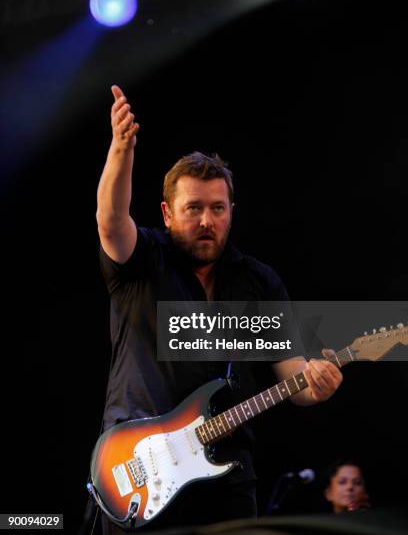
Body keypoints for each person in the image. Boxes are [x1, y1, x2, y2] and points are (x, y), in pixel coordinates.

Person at [95, 84, 343, 533]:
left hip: (227, 476)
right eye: (193, 209)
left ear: (232, 211)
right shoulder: (143, 262)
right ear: (168, 213)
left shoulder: (258, 282)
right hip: (140, 469)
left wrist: (317, 384)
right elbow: (111, 221)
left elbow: (295, 378)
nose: (207, 221)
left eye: (217, 208)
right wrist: (121, 151)